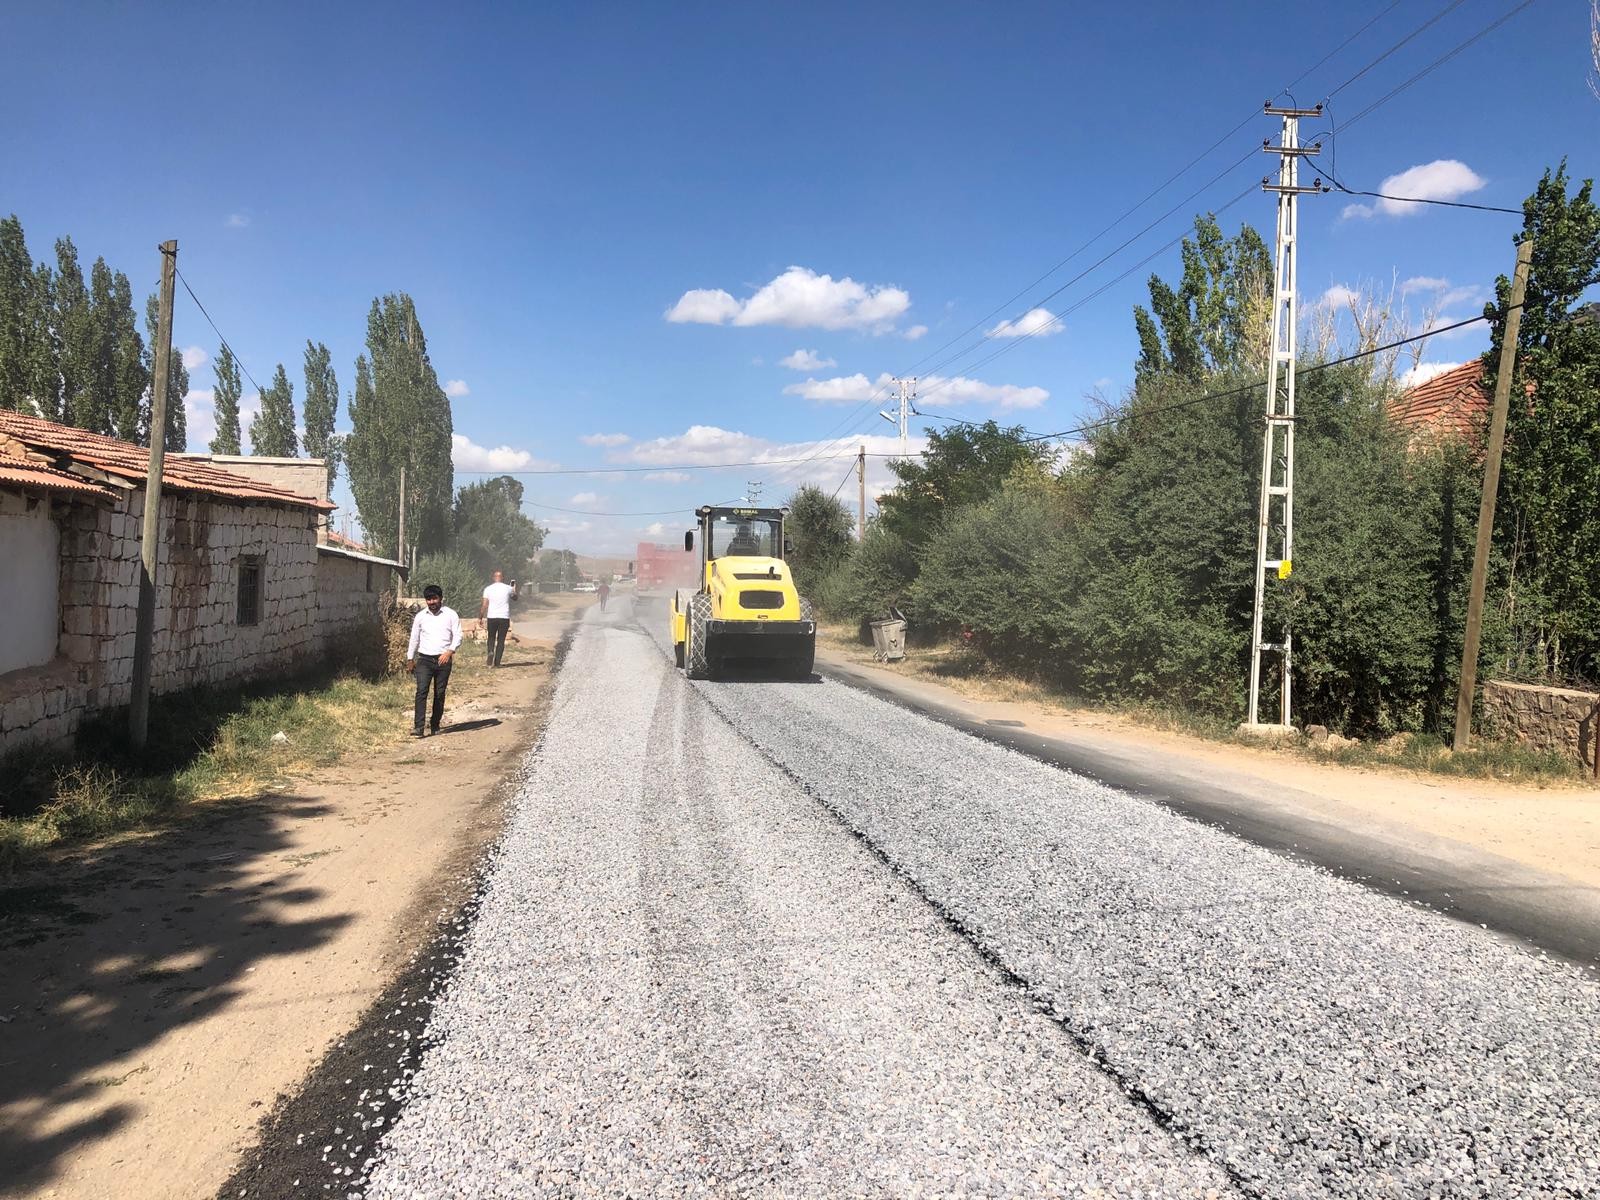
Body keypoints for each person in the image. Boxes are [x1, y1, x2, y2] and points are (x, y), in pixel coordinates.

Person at [406, 584, 462, 736]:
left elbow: (458, 636)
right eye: (428, 599)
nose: (431, 602)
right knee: (421, 691)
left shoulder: (451, 615)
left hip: (443, 660)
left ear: (440, 598)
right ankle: (418, 727)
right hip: (424, 659)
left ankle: (435, 724)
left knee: (439, 693)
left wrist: (449, 652)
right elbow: (414, 639)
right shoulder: (420, 616)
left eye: (434, 598)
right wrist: (410, 658)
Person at [479, 569, 515, 667]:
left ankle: (490, 652)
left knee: (491, 637)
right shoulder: (508, 588)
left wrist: (480, 617)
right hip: (504, 617)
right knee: (501, 640)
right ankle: (497, 663)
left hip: (492, 617)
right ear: (502, 578)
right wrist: (514, 590)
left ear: (493, 578)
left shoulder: (488, 589)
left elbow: (484, 605)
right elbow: (515, 598)